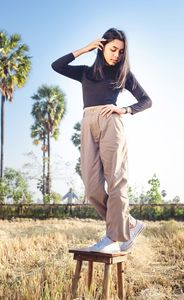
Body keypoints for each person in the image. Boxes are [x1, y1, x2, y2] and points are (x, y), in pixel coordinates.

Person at [51, 28, 152, 252]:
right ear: (102, 46)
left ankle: (113, 238)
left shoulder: (122, 74)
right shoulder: (86, 72)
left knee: (116, 180)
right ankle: (130, 224)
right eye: (113, 49)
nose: (116, 55)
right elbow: (57, 66)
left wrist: (124, 109)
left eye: (121, 52)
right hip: (88, 124)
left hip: (111, 123)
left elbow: (146, 100)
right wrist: (85, 49)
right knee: (92, 187)